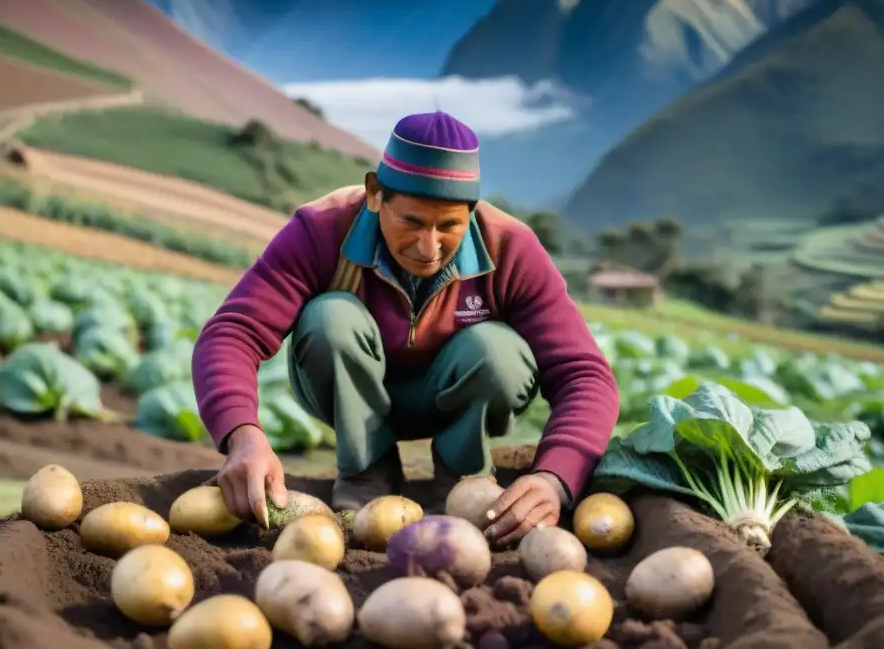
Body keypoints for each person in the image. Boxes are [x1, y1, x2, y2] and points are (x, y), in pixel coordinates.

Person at [192, 111, 619, 545]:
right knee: (331, 318)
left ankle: (464, 484)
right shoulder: (323, 229)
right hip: (344, 389)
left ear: (471, 211)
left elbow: (585, 374)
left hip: (454, 393)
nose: (428, 246)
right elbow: (233, 332)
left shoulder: (509, 248)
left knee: (498, 352)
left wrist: (555, 477)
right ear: (375, 194)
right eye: (411, 222)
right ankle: (366, 476)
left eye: (450, 225)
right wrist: (242, 435)